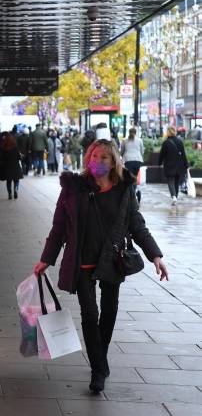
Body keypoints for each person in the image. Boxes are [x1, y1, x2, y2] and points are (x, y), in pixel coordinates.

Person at [34, 139, 168, 394]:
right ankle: (98, 369)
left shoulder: (124, 189)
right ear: (87, 158)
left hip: (112, 260)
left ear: (114, 160)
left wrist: (156, 256)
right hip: (82, 260)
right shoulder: (73, 188)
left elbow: (136, 224)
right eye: (94, 156)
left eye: (104, 157)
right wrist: (46, 259)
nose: (98, 161)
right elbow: (59, 226)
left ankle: (100, 358)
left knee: (109, 311)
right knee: (89, 314)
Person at [159, 126, 189, 205]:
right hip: (179, 165)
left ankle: (173, 196)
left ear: (168, 132)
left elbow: (162, 154)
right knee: (176, 182)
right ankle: (175, 196)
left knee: (170, 181)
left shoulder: (166, 142)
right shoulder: (179, 141)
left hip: (169, 165)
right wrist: (186, 164)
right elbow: (183, 154)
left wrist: (159, 163)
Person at [120, 127, 144, 204]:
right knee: (135, 177)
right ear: (135, 132)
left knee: (129, 177)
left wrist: (121, 157)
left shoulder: (125, 141)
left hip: (128, 160)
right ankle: (133, 191)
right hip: (137, 160)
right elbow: (142, 151)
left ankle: (131, 193)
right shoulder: (139, 140)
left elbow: (122, 151)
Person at [0, 134, 23, 199]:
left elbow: (2, 159)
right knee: (16, 180)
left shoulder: (4, 148)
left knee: (8, 181)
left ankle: (9, 194)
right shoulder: (15, 148)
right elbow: (19, 157)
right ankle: (15, 190)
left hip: (7, 167)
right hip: (15, 166)